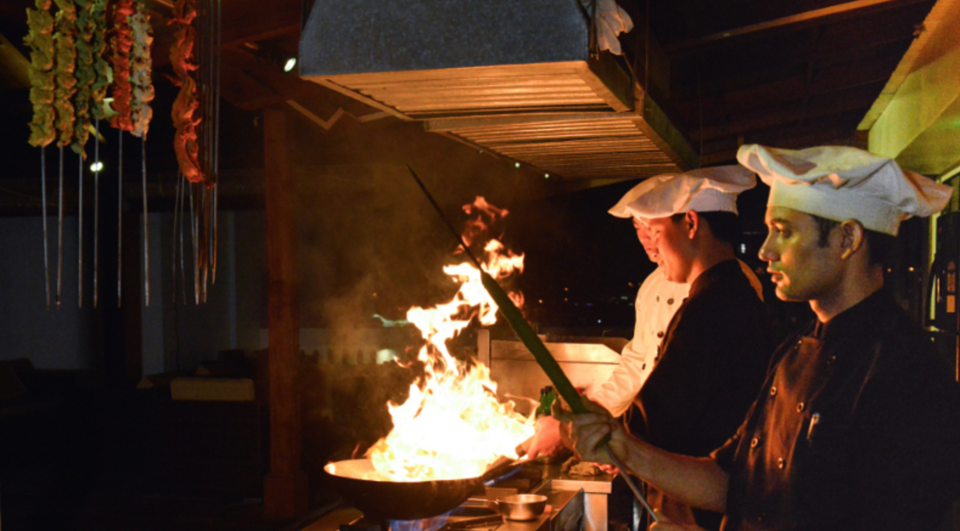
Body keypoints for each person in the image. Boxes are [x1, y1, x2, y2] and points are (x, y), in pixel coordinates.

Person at [559, 145, 960, 531]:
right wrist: (625, 448)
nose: (765, 250)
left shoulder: (904, 373)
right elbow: (733, 481)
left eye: (783, 232)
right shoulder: (796, 349)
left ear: (847, 240)